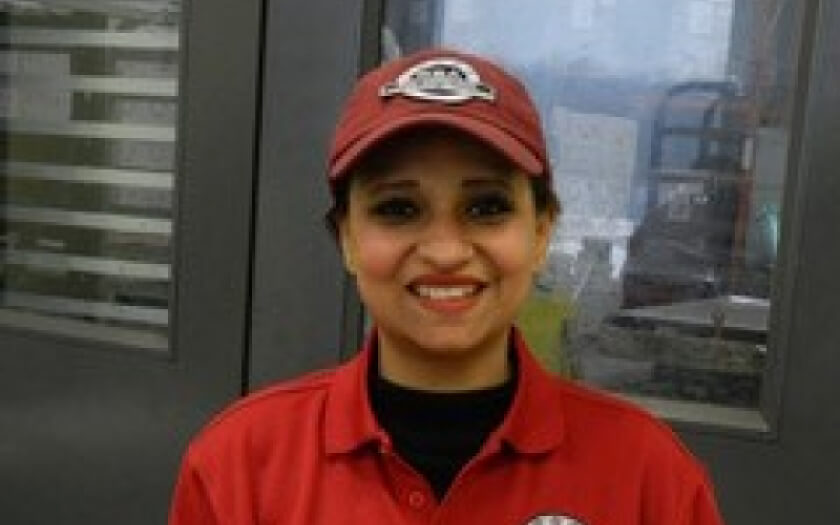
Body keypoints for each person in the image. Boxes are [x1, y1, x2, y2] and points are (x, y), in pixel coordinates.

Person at [168, 48, 725, 525]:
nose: (445, 251)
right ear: (347, 238)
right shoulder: (239, 467)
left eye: (486, 207)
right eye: (398, 208)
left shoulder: (649, 478)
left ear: (540, 231)